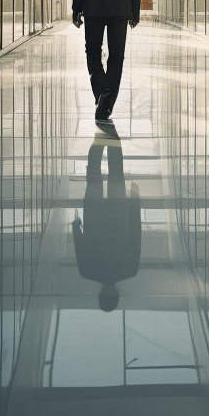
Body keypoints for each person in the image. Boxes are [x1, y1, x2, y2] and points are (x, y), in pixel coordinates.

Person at [71, 126, 141, 312]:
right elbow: (78, 243)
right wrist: (76, 225)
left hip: (118, 213)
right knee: (93, 174)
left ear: (117, 295)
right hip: (94, 214)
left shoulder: (129, 271)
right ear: (100, 294)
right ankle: (99, 138)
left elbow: (135, 234)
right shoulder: (87, 272)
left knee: (116, 170)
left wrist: (135, 200)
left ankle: (110, 134)